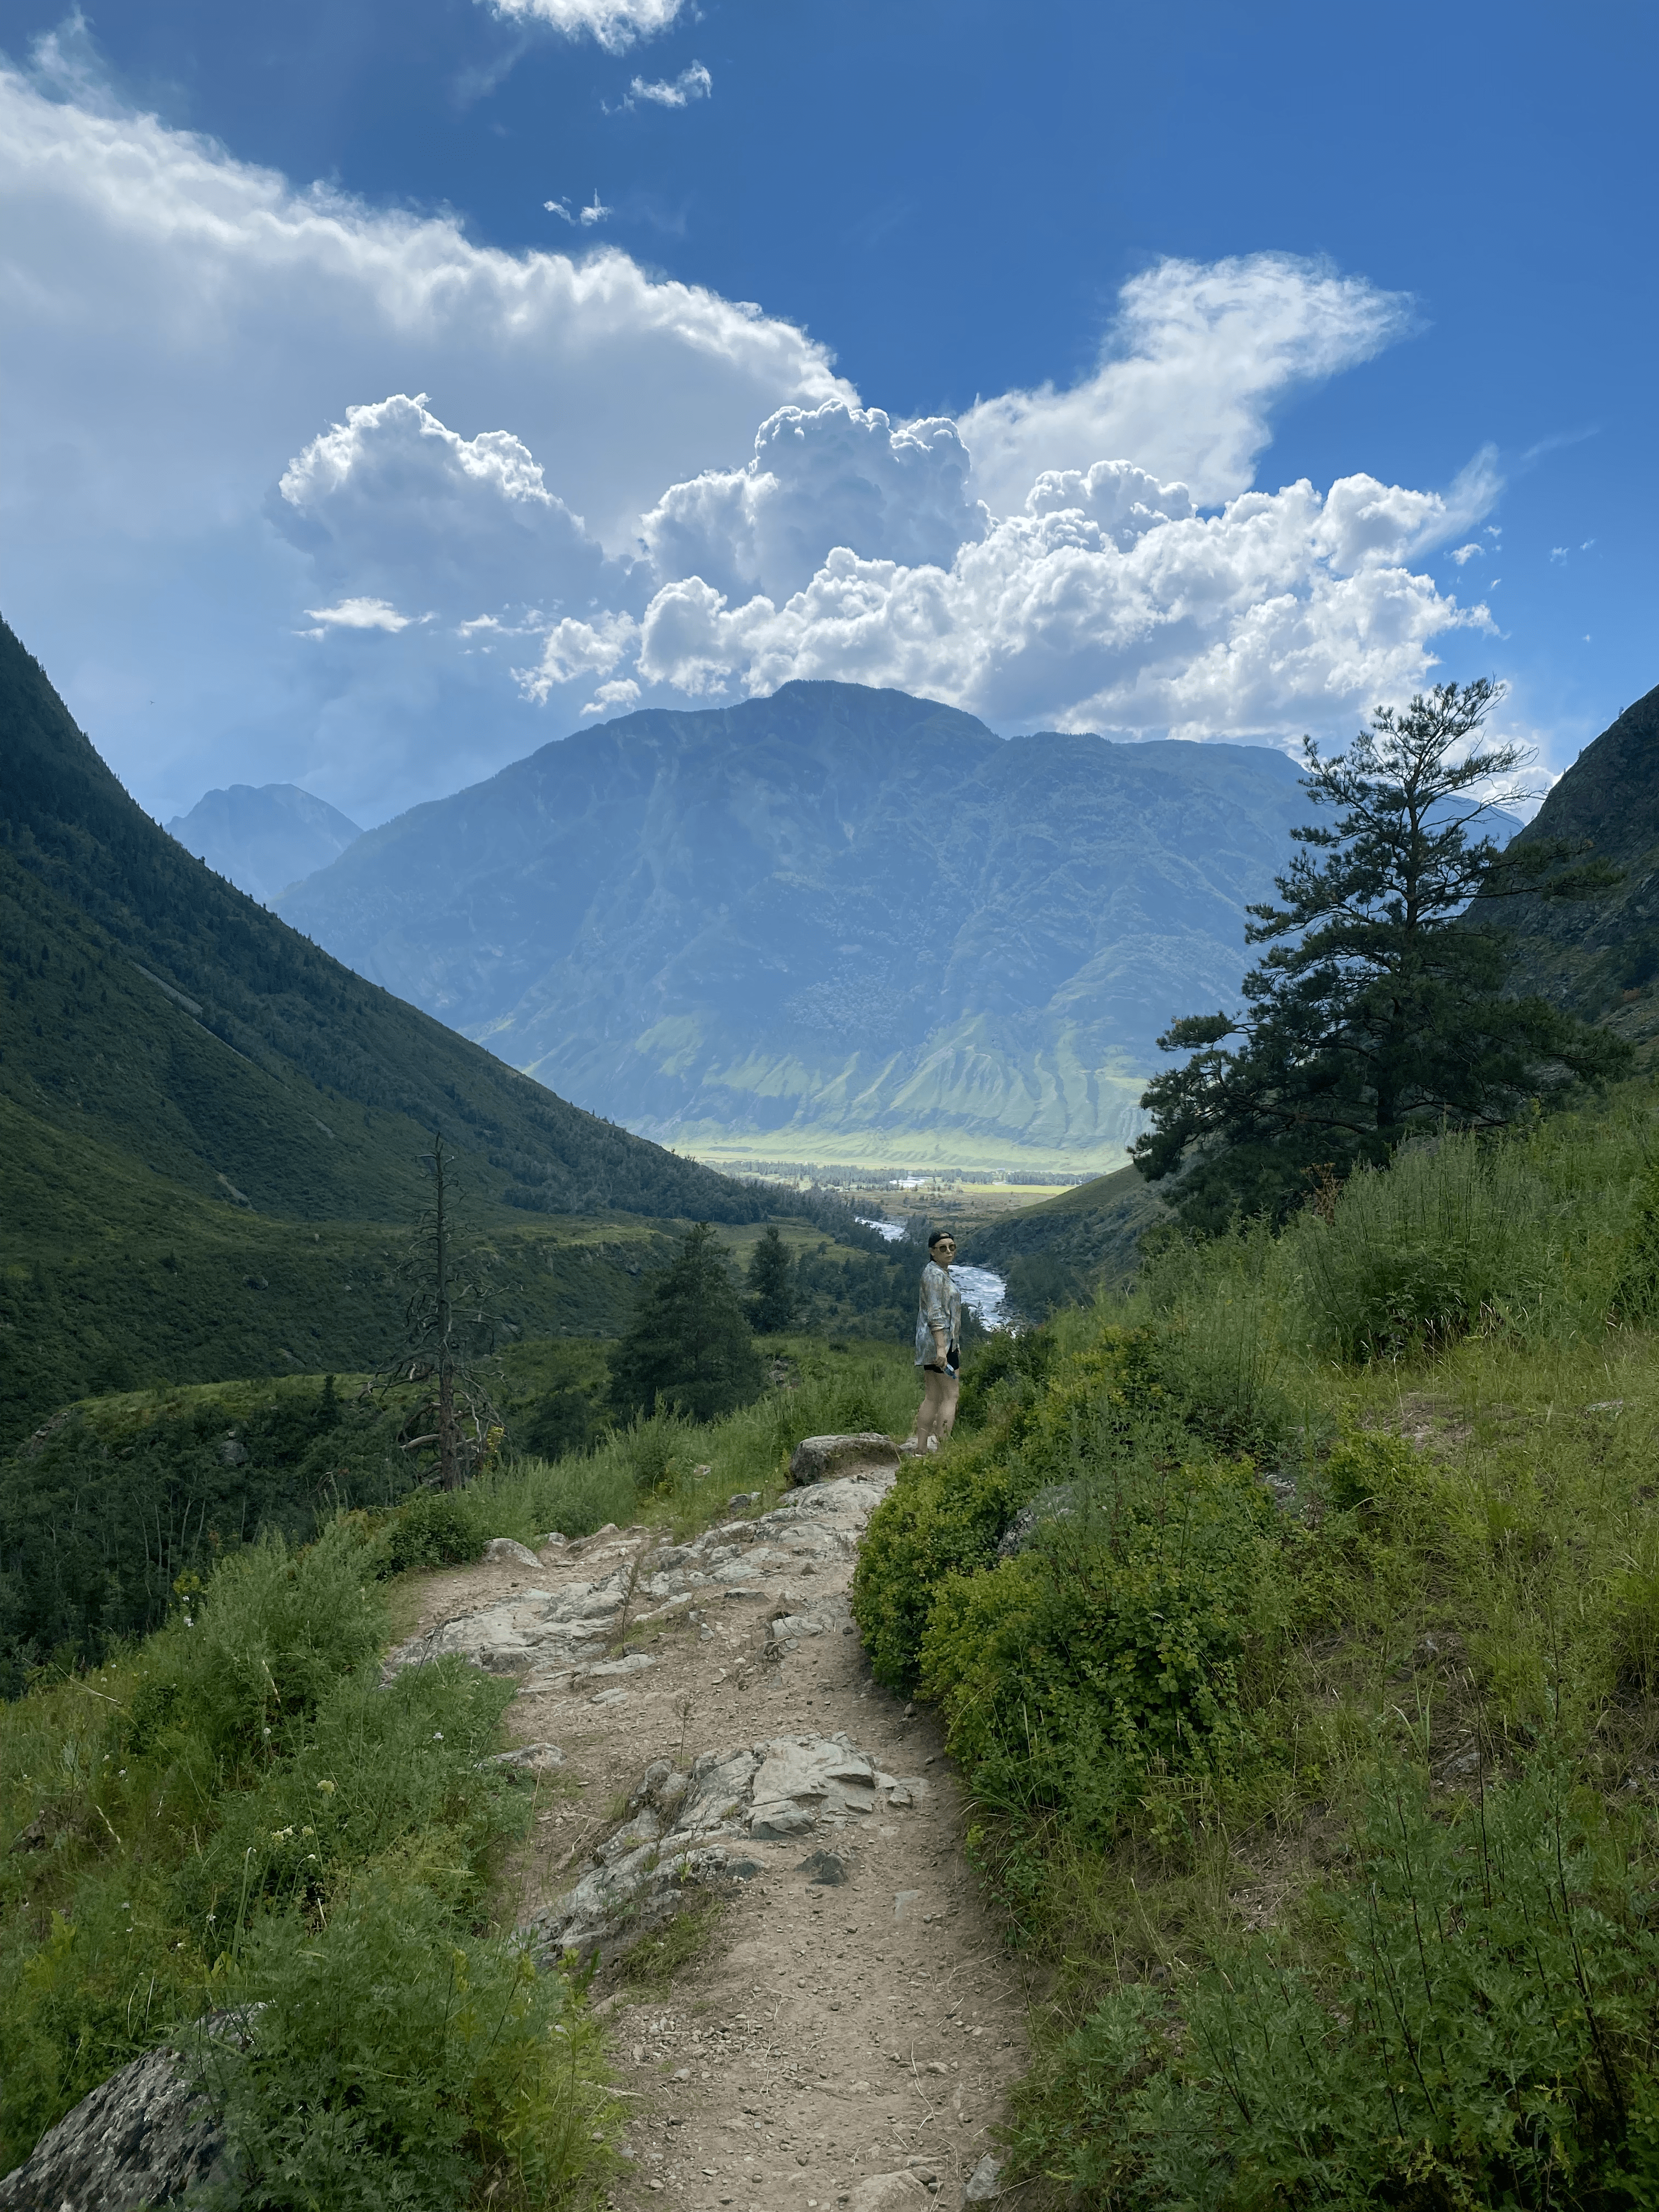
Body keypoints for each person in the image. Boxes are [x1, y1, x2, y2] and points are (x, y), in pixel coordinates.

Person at [907, 1229, 963, 1453]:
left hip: (933, 1344)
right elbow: (936, 1313)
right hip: (941, 1344)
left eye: (952, 1247)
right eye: (943, 1248)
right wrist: (943, 1348)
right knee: (951, 1396)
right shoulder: (934, 1276)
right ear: (932, 1252)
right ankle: (943, 1452)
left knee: (933, 1395)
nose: (949, 1251)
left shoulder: (937, 1272)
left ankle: (921, 1449)